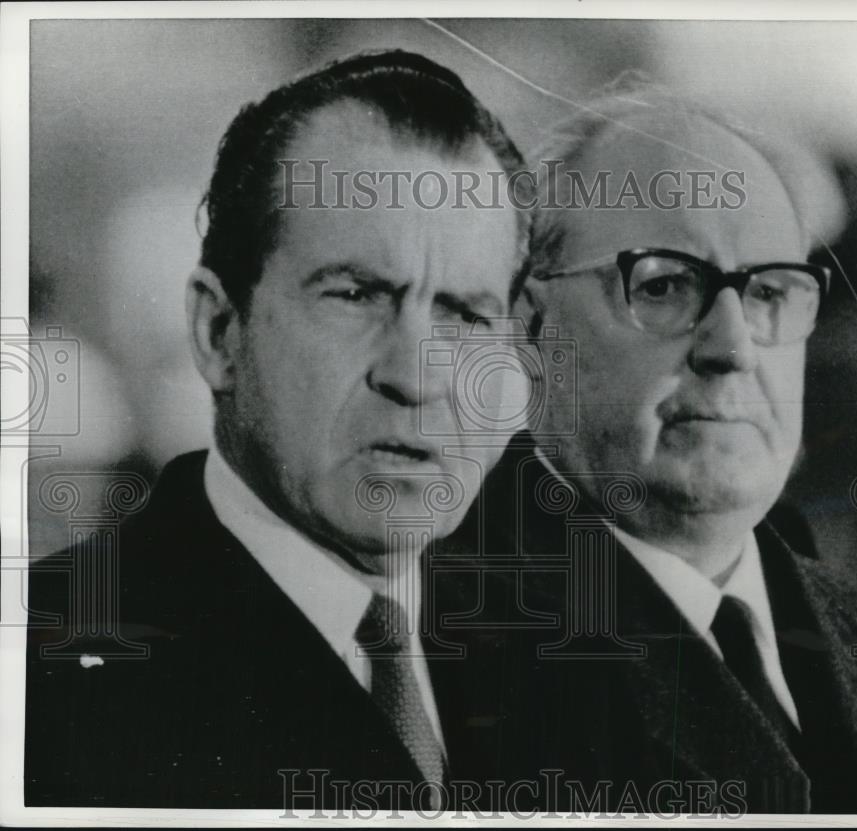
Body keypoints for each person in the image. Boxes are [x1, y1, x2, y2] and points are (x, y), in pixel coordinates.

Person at [24, 50, 537, 811]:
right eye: (357, 294)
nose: (418, 375)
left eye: (464, 314)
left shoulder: (576, 656)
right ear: (219, 331)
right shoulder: (41, 676)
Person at [447, 88, 857, 813]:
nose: (733, 347)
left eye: (769, 293)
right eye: (663, 286)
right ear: (533, 328)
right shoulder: (433, 646)